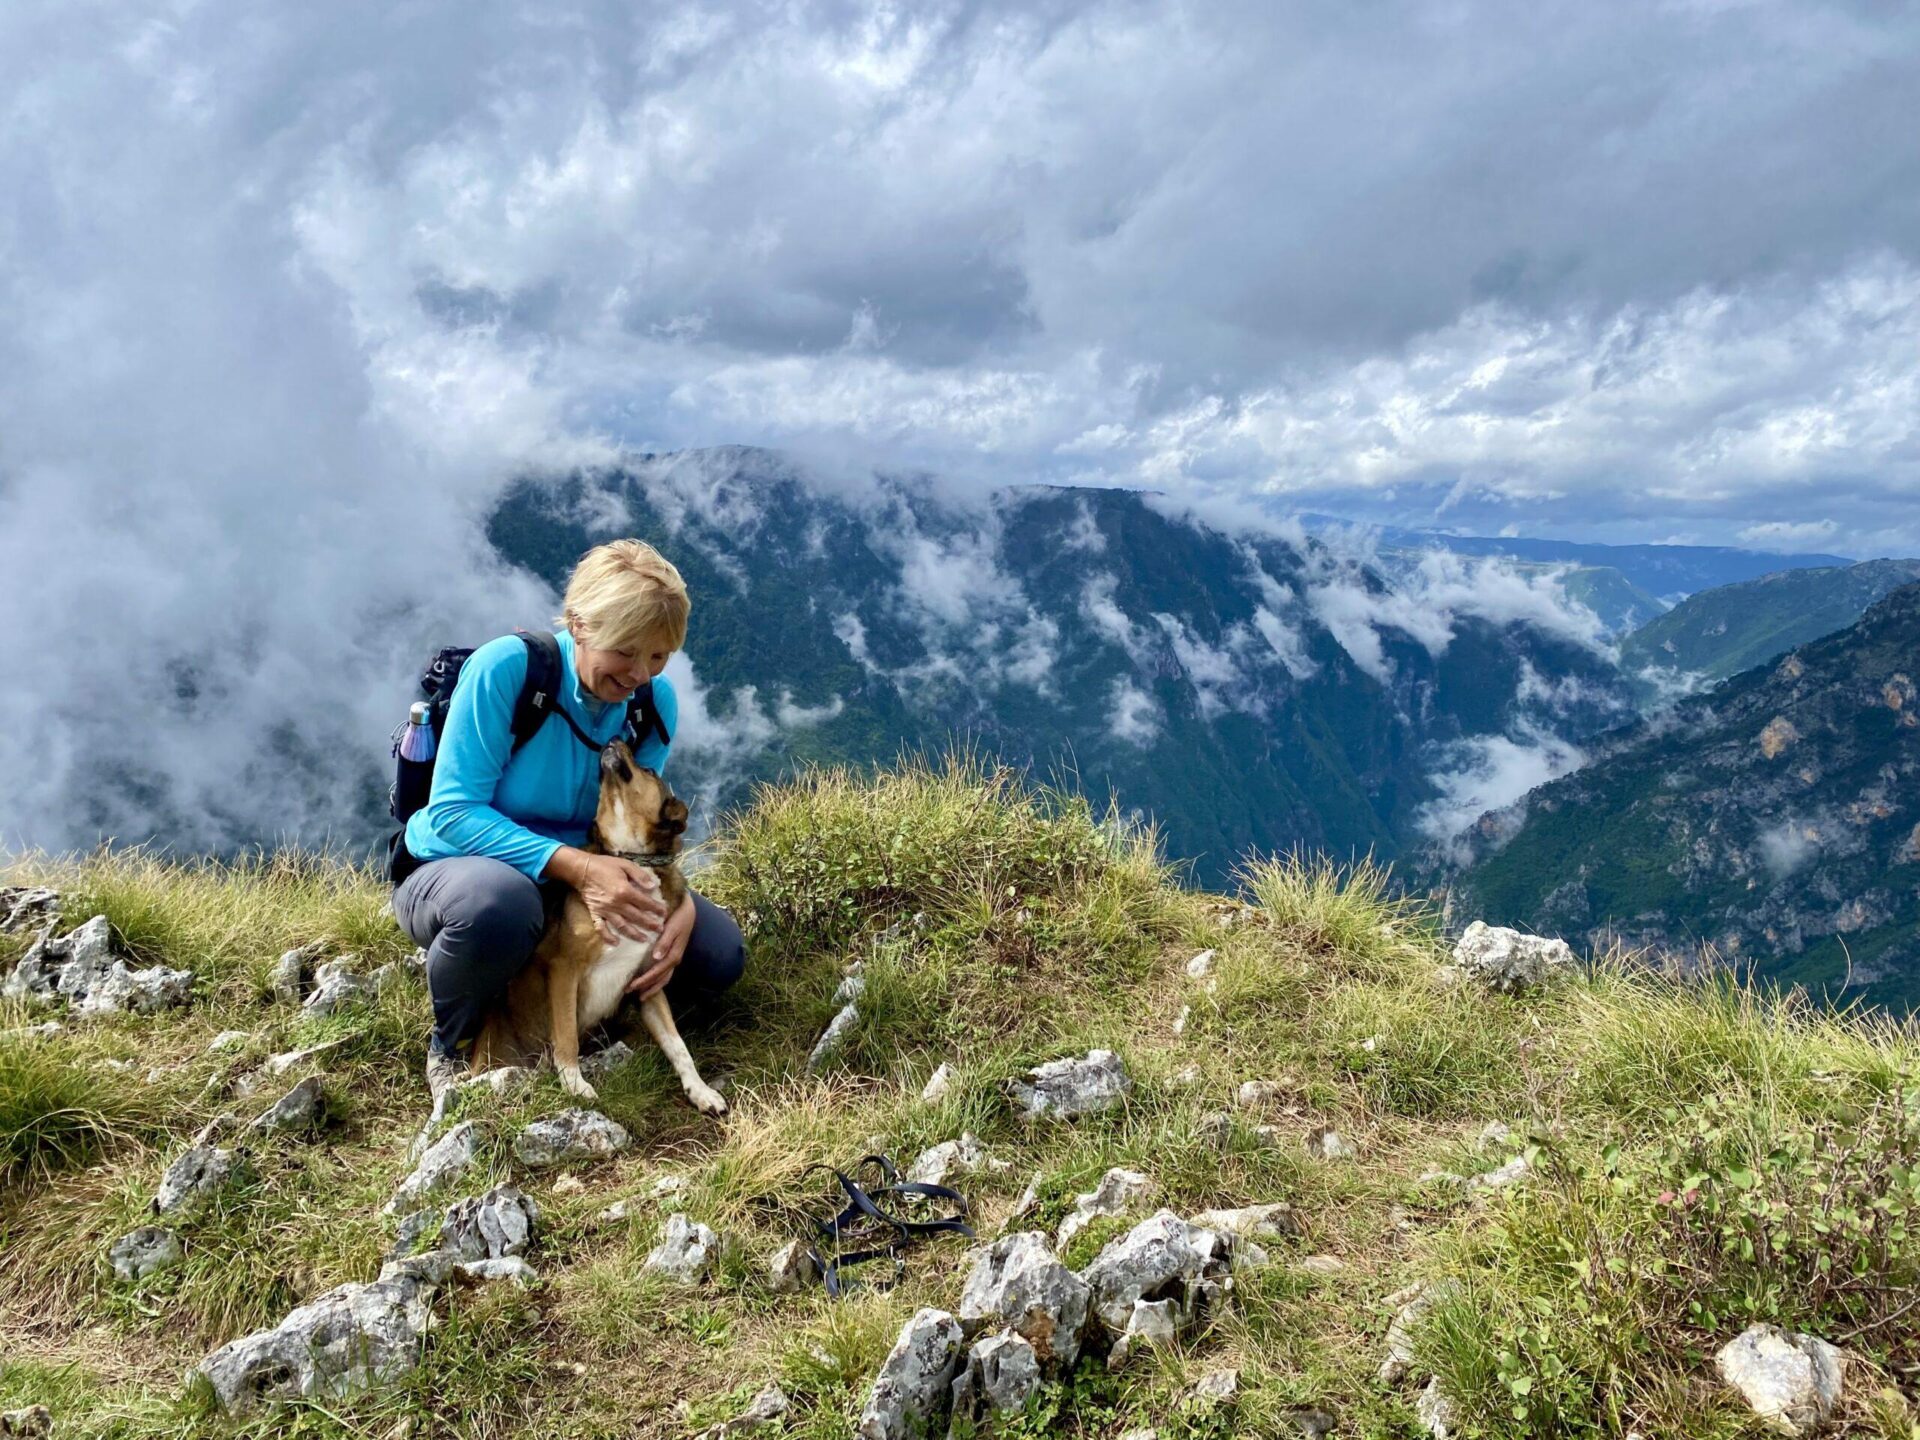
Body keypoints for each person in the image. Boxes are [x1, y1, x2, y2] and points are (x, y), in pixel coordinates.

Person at [391, 539, 746, 1101]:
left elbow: (640, 828)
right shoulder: (507, 671)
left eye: (657, 656)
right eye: (625, 651)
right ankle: (453, 1046)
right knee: (500, 908)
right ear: (579, 625)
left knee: (719, 953)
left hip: (581, 876)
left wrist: (674, 904)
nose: (639, 673)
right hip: (461, 869)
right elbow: (453, 814)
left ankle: (598, 1011)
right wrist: (578, 869)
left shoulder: (651, 704)